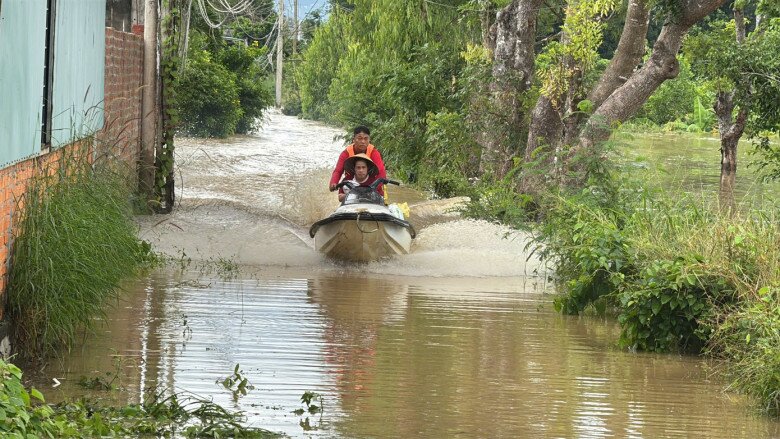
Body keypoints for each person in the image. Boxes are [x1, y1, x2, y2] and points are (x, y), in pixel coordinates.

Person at [329, 126, 387, 196]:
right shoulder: (346, 153)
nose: (363, 141)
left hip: (371, 186)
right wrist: (333, 182)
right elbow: (338, 171)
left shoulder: (374, 152)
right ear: (353, 139)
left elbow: (381, 172)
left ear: (369, 140)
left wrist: (371, 190)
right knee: (342, 196)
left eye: (366, 139)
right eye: (360, 138)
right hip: (351, 186)